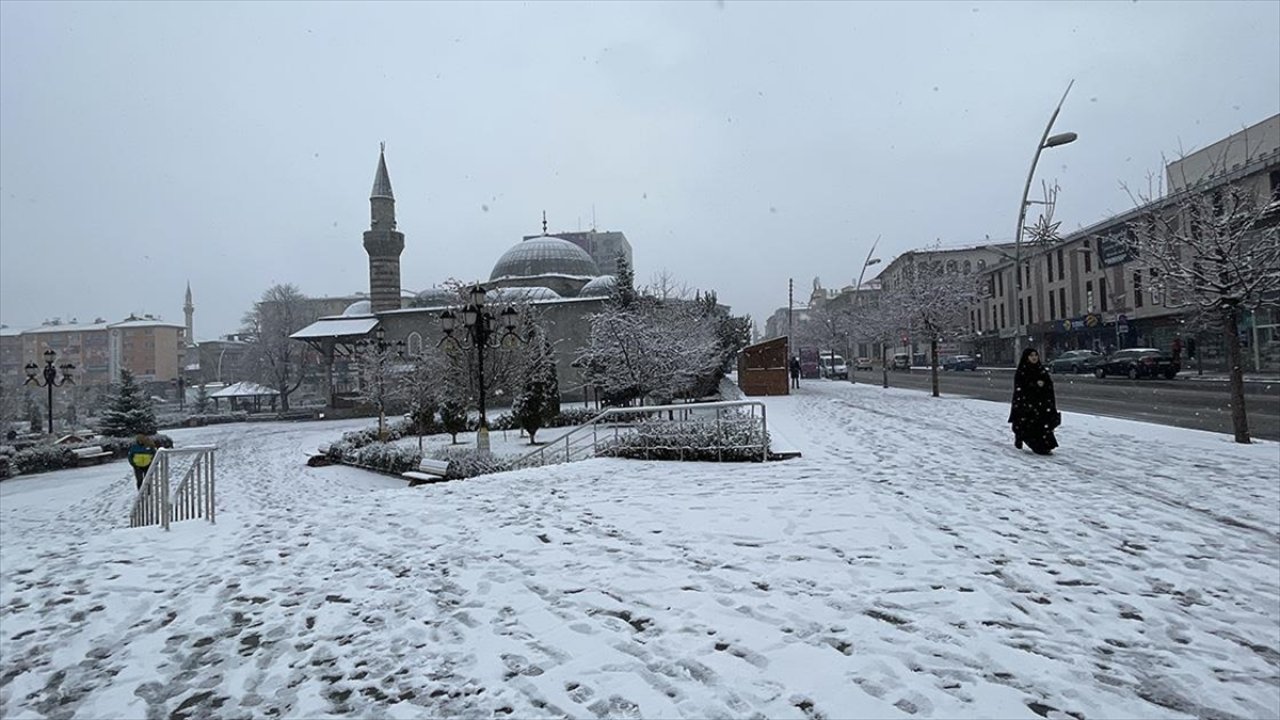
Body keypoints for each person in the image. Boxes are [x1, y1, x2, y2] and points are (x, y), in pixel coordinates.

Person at [1008, 347, 1059, 455]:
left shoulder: (1041, 369)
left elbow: (1049, 385)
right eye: (1031, 356)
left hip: (1041, 404)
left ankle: (1045, 444)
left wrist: (1044, 386)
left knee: (1043, 425)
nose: (1034, 358)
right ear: (1027, 357)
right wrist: (1034, 385)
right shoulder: (1023, 371)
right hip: (1028, 404)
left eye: (1036, 355)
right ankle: (1030, 441)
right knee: (1029, 425)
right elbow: (1021, 387)